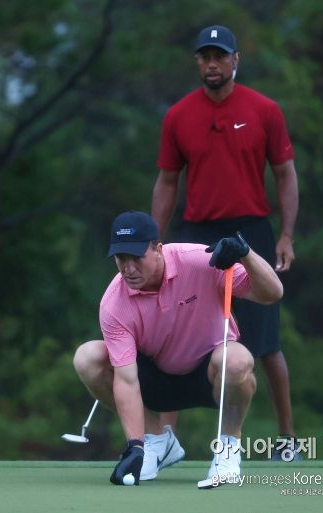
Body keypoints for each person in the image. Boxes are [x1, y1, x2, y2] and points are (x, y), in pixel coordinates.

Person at [151, 25, 300, 460]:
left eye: (220, 56)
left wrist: (287, 234)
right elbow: (166, 181)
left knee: (264, 340)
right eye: (204, 56)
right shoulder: (178, 115)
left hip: (250, 233)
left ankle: (288, 439)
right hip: (197, 236)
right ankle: (165, 441)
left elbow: (285, 174)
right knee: (175, 335)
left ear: (235, 60)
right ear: (198, 62)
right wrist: (156, 241)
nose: (211, 64)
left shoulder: (264, 110)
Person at [73, 211, 283, 485]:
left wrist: (246, 254)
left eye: (137, 257)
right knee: (87, 357)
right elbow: (126, 380)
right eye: (121, 259)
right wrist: (134, 445)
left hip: (211, 375)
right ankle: (156, 442)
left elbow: (272, 293)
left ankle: (228, 450)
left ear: (158, 249)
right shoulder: (114, 303)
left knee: (238, 359)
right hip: (155, 382)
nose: (128, 268)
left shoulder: (200, 260)